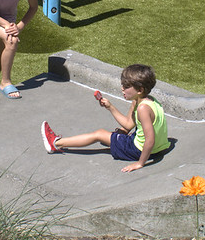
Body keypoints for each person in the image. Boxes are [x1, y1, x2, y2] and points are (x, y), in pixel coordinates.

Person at [40, 64, 170, 173]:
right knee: (119, 131)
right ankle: (118, 139)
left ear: (140, 89)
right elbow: (129, 124)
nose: (122, 89)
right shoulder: (149, 101)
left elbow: (150, 140)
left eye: (126, 86)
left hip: (138, 150)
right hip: (158, 149)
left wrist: (140, 163)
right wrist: (110, 107)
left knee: (99, 134)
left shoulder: (142, 109)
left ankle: (55, 143)